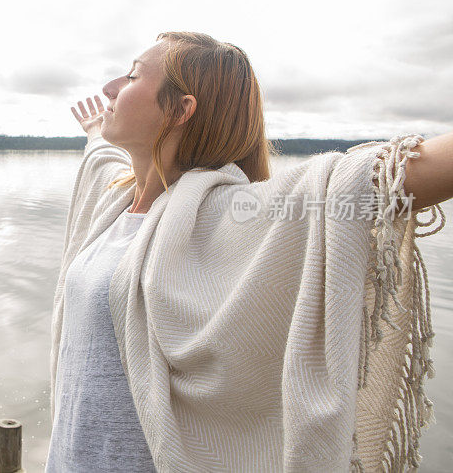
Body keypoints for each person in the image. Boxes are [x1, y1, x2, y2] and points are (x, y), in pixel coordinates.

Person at [46, 31, 451, 472]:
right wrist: (93, 135)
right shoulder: (115, 201)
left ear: (182, 110)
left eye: (132, 76)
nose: (110, 87)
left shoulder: (230, 214)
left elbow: (370, 184)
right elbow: (104, 159)